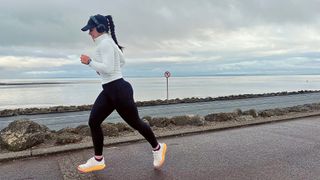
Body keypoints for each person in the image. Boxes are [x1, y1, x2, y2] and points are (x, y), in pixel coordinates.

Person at [77, 14, 167, 173]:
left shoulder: (104, 43)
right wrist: (102, 70)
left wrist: (89, 62)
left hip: (118, 90)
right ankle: (98, 159)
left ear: (100, 28)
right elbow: (122, 62)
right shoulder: (108, 42)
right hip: (110, 90)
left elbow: (110, 68)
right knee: (94, 121)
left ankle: (158, 148)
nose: (89, 33)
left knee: (136, 123)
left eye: (90, 29)